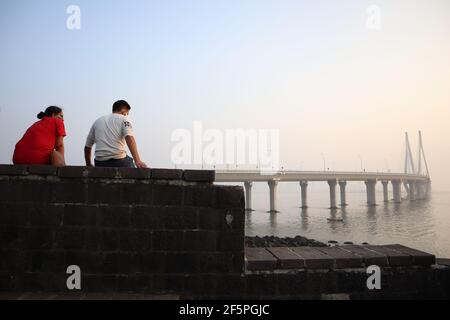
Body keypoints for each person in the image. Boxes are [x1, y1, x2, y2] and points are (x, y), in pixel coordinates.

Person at [84, 100, 148, 168]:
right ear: (123, 111)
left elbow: (87, 147)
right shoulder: (124, 119)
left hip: (100, 163)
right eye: (126, 113)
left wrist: (88, 165)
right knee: (130, 162)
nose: (126, 115)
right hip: (119, 161)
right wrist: (138, 161)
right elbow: (129, 138)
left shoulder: (97, 121)